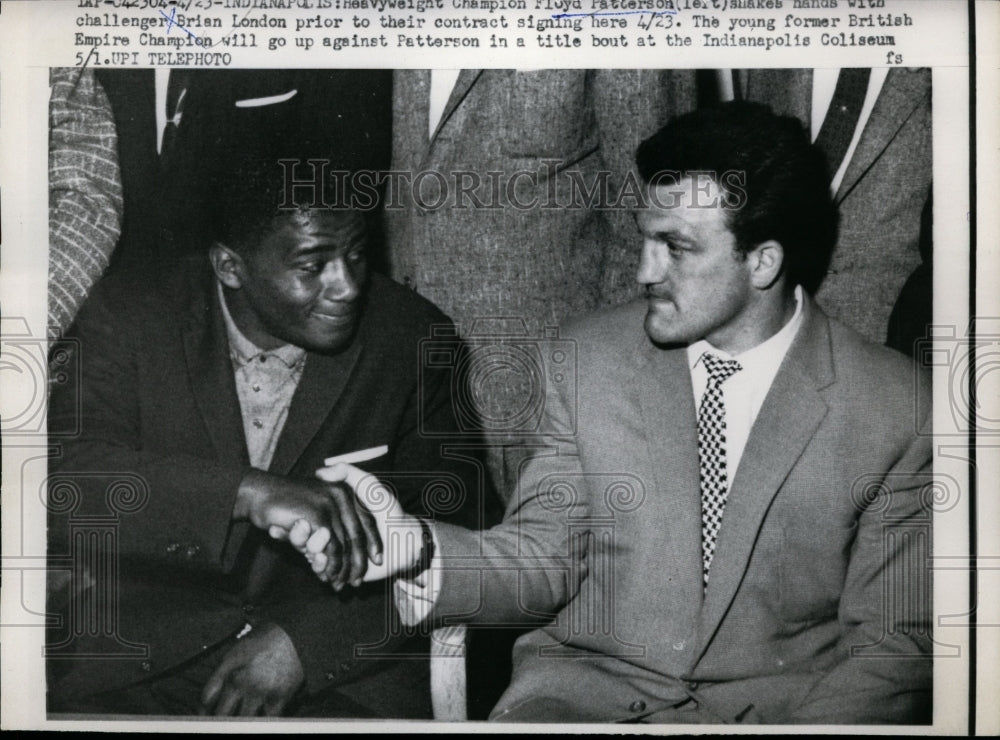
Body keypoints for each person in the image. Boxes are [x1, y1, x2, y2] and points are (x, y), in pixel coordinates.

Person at [292, 102, 934, 724]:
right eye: (643, 239)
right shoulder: (589, 356)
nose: (643, 271)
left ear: (762, 261)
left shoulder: (897, 410)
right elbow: (544, 556)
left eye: (676, 248)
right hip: (581, 706)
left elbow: (890, 651)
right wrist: (414, 548)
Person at [45, 155, 496, 717]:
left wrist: (303, 644)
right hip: (142, 663)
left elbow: (464, 533)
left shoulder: (413, 335)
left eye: (355, 254)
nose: (350, 286)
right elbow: (61, 481)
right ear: (230, 267)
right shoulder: (129, 315)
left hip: (336, 675)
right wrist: (247, 492)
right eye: (314, 265)